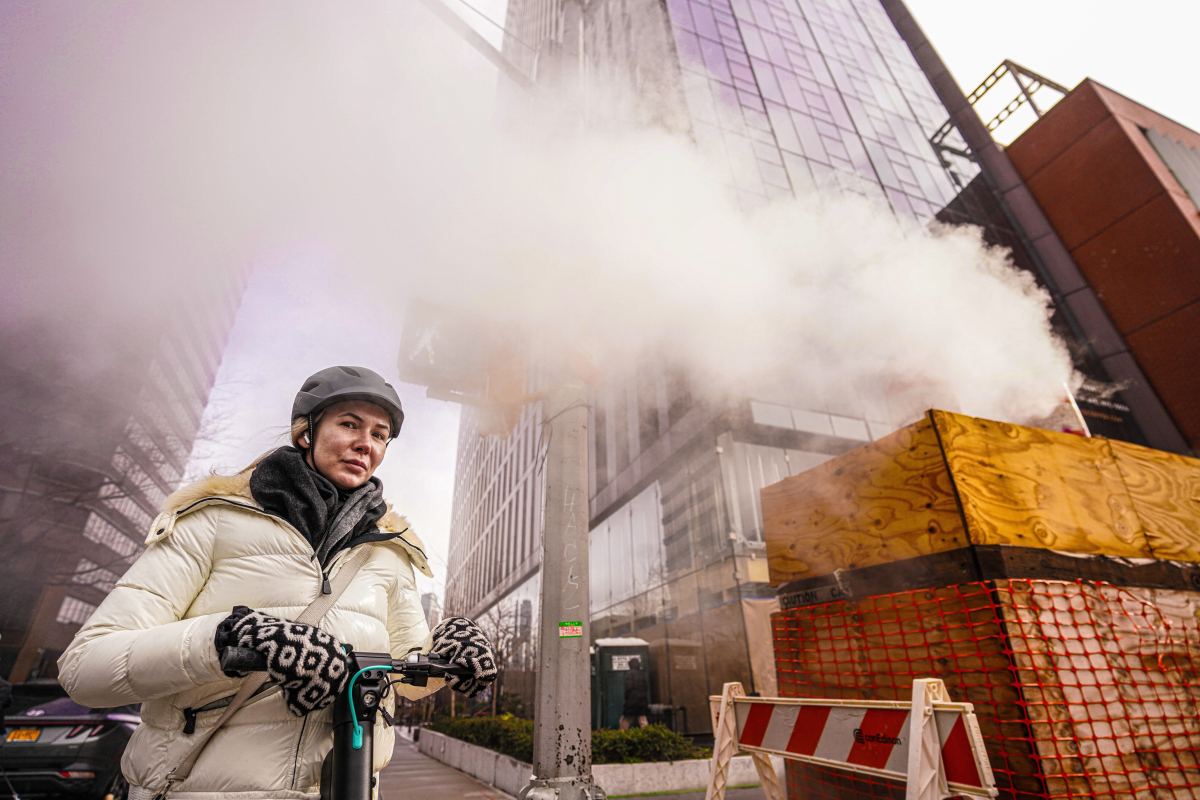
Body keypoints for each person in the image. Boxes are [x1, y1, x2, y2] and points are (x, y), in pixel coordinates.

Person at [58, 366, 497, 799]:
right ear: (306, 432)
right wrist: (232, 642)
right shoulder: (212, 521)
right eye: (349, 424)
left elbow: (402, 677)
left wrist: (446, 655)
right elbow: (86, 669)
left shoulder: (390, 551)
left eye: (380, 435)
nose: (366, 443)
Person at [619, 658, 650, 730]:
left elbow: (628, 688)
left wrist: (626, 699)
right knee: (643, 721)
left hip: (631, 703)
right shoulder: (642, 674)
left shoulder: (629, 674)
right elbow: (646, 688)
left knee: (624, 721)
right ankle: (648, 736)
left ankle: (621, 737)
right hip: (641, 703)